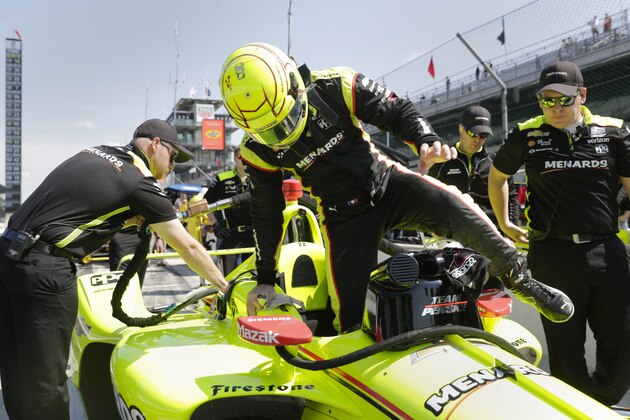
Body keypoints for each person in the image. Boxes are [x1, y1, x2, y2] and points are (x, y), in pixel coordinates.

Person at [218, 42, 573, 334]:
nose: (280, 135)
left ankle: (521, 281)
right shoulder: (256, 149)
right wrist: (265, 278)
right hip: (343, 218)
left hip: (390, 185)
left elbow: (396, 110)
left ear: (296, 85)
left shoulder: (336, 84)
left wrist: (425, 139)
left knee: (456, 207)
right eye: (269, 131)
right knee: (351, 321)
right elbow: (265, 214)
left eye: (284, 121)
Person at [0, 119, 228, 419]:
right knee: (46, 382)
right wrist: (225, 287)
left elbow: (75, 208)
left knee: (16, 370)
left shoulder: (96, 152)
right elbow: (189, 246)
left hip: (8, 257)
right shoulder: (138, 180)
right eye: (173, 156)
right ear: (155, 145)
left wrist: (120, 220)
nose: (172, 165)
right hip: (44, 272)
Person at [488, 61, 630, 405]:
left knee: (622, 350)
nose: (555, 108)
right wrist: (506, 224)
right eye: (546, 100)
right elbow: (497, 177)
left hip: (607, 252)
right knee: (566, 354)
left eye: (564, 99)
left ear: (581, 95)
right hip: (552, 256)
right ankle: (577, 408)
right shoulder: (526, 133)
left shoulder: (614, 131)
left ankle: (598, 399)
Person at [428, 105, 519, 229]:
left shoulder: (496, 162)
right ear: (461, 129)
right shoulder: (443, 160)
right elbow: (429, 195)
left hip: (490, 231)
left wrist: (510, 234)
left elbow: (511, 199)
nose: (478, 139)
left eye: (483, 135)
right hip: (453, 232)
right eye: (473, 133)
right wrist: (433, 227)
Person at [204, 146, 254, 275]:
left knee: (252, 276)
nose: (244, 160)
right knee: (229, 278)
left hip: (254, 235)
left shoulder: (257, 178)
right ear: (235, 158)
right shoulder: (222, 179)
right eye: (241, 157)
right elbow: (206, 203)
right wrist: (216, 225)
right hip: (231, 234)